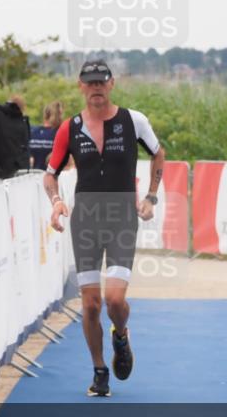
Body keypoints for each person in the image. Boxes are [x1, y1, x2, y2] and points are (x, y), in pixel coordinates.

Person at [44, 59, 165, 397]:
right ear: (81, 86)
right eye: (90, 83)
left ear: (112, 84)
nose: (96, 88)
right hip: (84, 219)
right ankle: (99, 371)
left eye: (102, 82)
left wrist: (151, 197)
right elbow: (49, 173)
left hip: (121, 217)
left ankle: (121, 335)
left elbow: (159, 155)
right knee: (92, 304)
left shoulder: (134, 121)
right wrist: (56, 201)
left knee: (114, 300)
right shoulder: (70, 128)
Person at [30, 101, 63, 169]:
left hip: (32, 176)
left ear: (45, 115)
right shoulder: (61, 134)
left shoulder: (31, 131)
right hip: (53, 177)